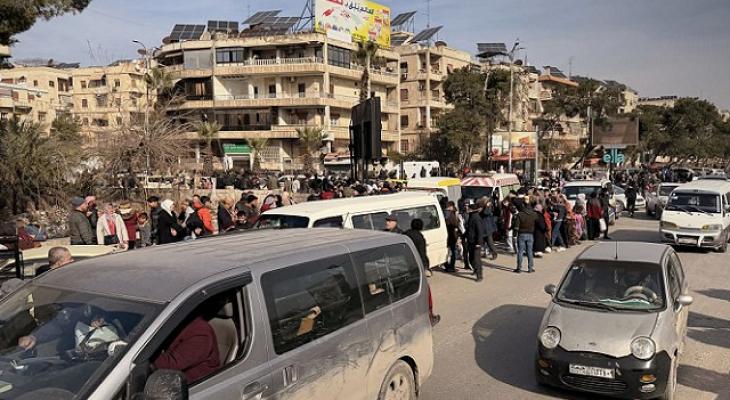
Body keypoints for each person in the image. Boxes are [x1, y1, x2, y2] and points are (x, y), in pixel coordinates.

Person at [153, 313, 220, 383]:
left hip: (196, 385)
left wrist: (148, 354)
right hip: (173, 380)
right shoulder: (178, 325)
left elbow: (171, 364)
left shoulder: (200, 332)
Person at [513, 202, 538, 273]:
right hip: (530, 234)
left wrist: (514, 235)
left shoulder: (520, 215)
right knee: (530, 252)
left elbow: (516, 227)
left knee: (520, 252)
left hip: (521, 234)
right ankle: (530, 268)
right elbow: (537, 223)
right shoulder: (534, 214)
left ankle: (519, 268)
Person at [465, 202, 485, 282]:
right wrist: (464, 236)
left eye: (468, 208)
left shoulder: (477, 218)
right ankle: (476, 269)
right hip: (470, 241)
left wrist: (479, 243)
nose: (466, 209)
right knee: (471, 258)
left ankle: (479, 275)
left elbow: (480, 232)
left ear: (472, 209)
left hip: (476, 242)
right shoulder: (471, 216)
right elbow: (469, 229)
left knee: (477, 260)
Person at [444, 201, 460, 272]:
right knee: (454, 252)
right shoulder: (451, 215)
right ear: (451, 206)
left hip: (445, 235)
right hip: (452, 235)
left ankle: (446, 265)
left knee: (446, 252)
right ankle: (451, 267)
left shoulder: (443, 213)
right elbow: (455, 225)